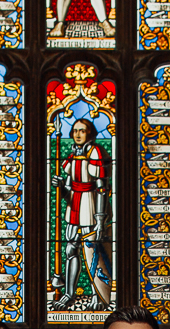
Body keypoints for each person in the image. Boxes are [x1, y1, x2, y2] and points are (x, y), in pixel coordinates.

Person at [52, 118, 110, 310]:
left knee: (91, 251)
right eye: (75, 130)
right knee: (71, 249)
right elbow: (69, 189)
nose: (77, 134)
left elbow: (102, 188)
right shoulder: (72, 155)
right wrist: (62, 187)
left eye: (82, 130)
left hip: (90, 207)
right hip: (74, 207)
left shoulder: (95, 152)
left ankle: (98, 294)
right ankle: (69, 293)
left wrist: (100, 219)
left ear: (90, 133)